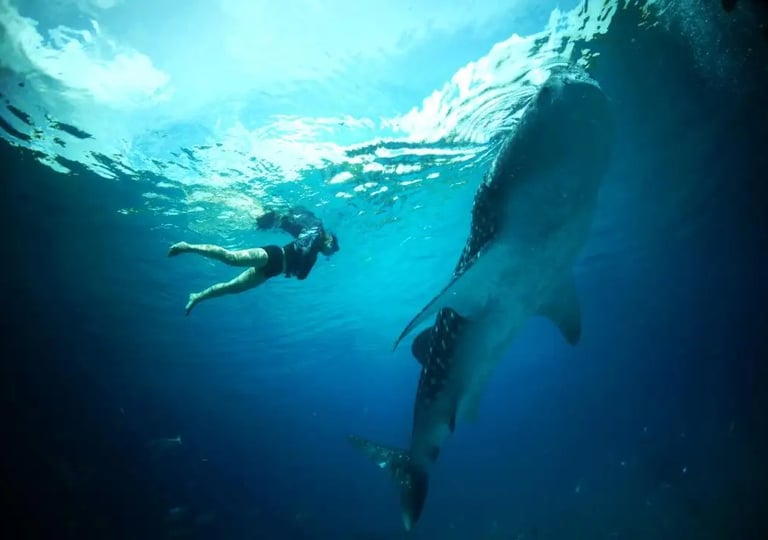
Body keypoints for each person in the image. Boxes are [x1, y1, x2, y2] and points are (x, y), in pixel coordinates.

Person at [168, 206, 339, 315]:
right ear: (329, 240)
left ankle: (197, 297)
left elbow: (301, 276)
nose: (329, 253)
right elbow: (304, 237)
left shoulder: (314, 254)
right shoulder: (315, 234)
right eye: (331, 249)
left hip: (271, 271)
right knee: (231, 258)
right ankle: (187, 246)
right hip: (274, 255)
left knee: (232, 288)